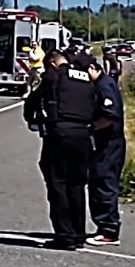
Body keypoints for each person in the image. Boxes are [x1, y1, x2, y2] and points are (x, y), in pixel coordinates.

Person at [24, 50, 97, 250]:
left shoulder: (52, 76)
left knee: (57, 184)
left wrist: (33, 119)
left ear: (53, 64)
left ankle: (65, 236)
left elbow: (32, 102)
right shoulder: (84, 78)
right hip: (83, 135)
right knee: (77, 185)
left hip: (60, 134)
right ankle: (79, 234)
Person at [86, 61, 125, 246]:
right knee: (98, 182)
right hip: (106, 144)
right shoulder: (101, 84)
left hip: (110, 144)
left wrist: (91, 128)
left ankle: (109, 231)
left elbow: (109, 115)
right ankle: (103, 227)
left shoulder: (104, 85)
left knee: (105, 184)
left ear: (94, 68)